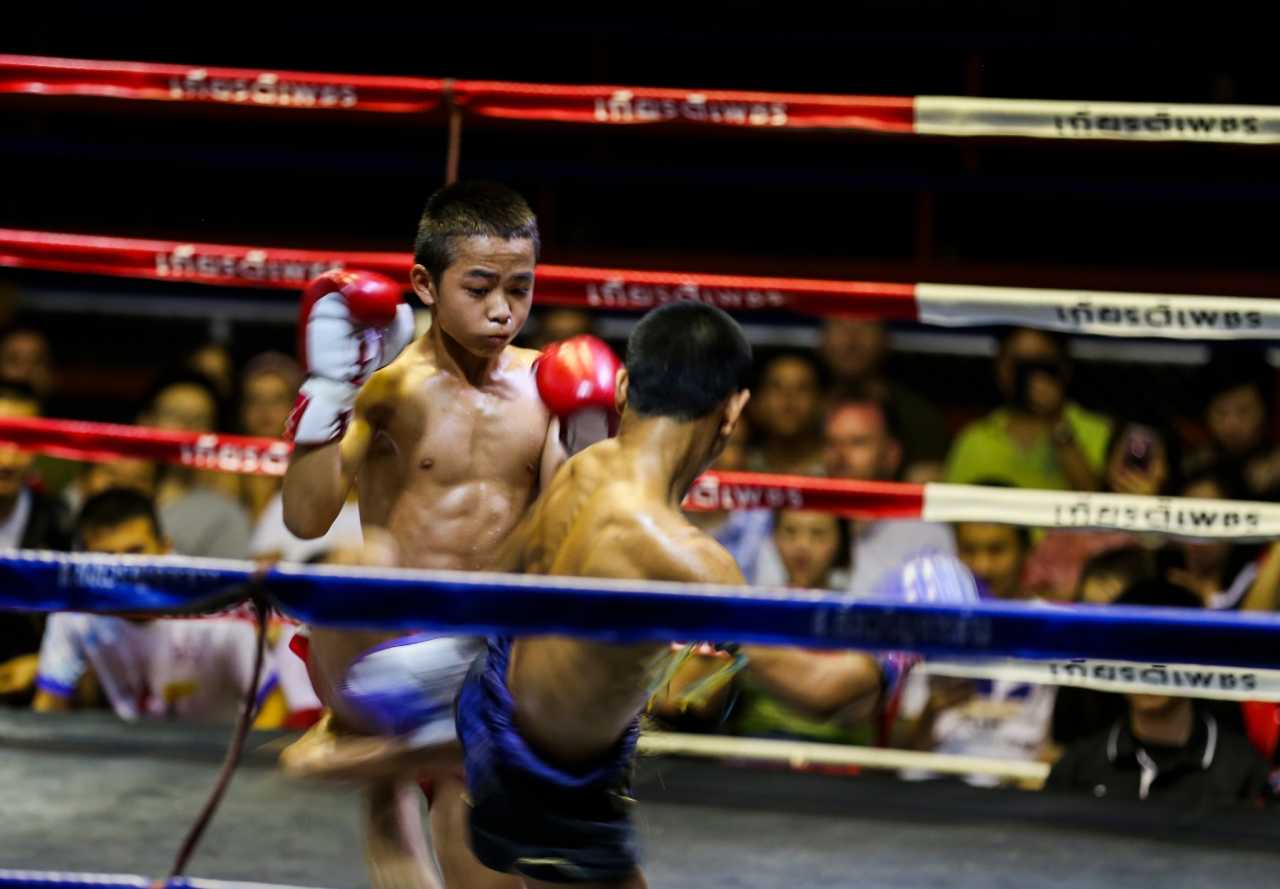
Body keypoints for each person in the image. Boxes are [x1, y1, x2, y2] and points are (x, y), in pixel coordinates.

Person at [280, 181, 614, 889]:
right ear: (425, 284)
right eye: (480, 287)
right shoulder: (387, 386)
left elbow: (569, 537)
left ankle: (397, 760)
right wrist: (330, 392)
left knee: (481, 876)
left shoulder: (547, 385)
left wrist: (591, 444)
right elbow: (305, 519)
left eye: (520, 288)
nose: (502, 310)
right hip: (386, 646)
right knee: (357, 560)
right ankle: (387, 762)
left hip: (487, 654)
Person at [455, 301, 753, 887]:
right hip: (555, 782)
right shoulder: (694, 562)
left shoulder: (580, 468)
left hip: (493, 716)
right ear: (733, 411)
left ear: (620, 387)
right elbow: (813, 688)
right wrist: (896, 651)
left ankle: (385, 762)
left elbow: (503, 581)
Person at [32, 488, 312, 724]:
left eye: (135, 552)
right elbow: (50, 702)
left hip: (217, 752)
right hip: (126, 755)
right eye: (107, 558)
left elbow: (273, 701)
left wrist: (245, 766)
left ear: (164, 547)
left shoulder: (214, 602)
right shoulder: (74, 608)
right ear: (87, 561)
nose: (125, 571)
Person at [1046, 580, 1270, 807]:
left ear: (1196, 656)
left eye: (1164, 648)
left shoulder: (1245, 773)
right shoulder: (1076, 769)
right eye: (1135, 649)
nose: (1149, 669)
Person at [753, 396, 953, 595]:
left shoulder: (926, 536)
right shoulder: (789, 524)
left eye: (858, 442)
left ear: (891, 454)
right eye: (831, 443)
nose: (840, 455)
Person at [945, 327, 1111, 491]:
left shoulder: (1099, 432)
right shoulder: (974, 440)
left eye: (1040, 363)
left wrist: (1058, 425)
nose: (1030, 376)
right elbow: (953, 505)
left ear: (1064, 367)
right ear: (1000, 368)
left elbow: (1098, 500)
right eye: (1019, 364)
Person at [0, 381, 74, 706]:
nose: (8, 459)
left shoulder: (60, 523)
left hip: (35, 701)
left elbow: (81, 622)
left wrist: (43, 662)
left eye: (22, 441)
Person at [138, 370, 253, 559]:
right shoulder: (110, 491)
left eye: (200, 419)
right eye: (174, 414)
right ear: (146, 421)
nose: (187, 426)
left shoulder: (225, 515)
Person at [818, 318, 948, 482]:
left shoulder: (919, 418)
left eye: (858, 442)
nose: (851, 340)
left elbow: (926, 484)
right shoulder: (806, 412)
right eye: (839, 326)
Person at [744, 350, 825, 475]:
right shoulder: (739, 467)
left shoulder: (838, 468)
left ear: (820, 403)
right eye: (776, 387)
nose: (789, 398)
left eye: (802, 388)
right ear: (757, 402)